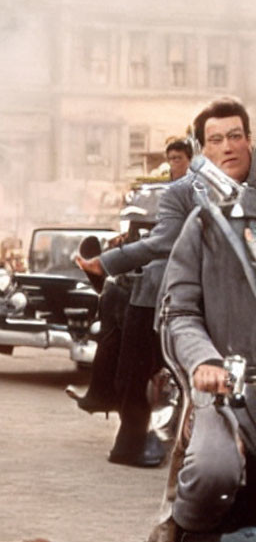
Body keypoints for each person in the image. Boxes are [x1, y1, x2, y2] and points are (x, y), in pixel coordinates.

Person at [139, 97, 256, 542]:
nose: (228, 147)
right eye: (215, 140)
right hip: (229, 381)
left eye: (235, 136)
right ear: (203, 150)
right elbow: (180, 311)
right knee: (212, 471)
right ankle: (179, 522)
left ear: (249, 140)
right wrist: (204, 362)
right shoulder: (203, 222)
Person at [67, 136, 195, 466]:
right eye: (171, 159)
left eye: (179, 158)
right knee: (113, 303)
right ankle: (102, 393)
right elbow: (149, 237)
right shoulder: (165, 194)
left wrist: (107, 262)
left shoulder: (190, 191)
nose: (173, 166)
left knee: (142, 365)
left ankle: (137, 435)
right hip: (147, 284)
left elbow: (161, 243)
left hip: (171, 290)